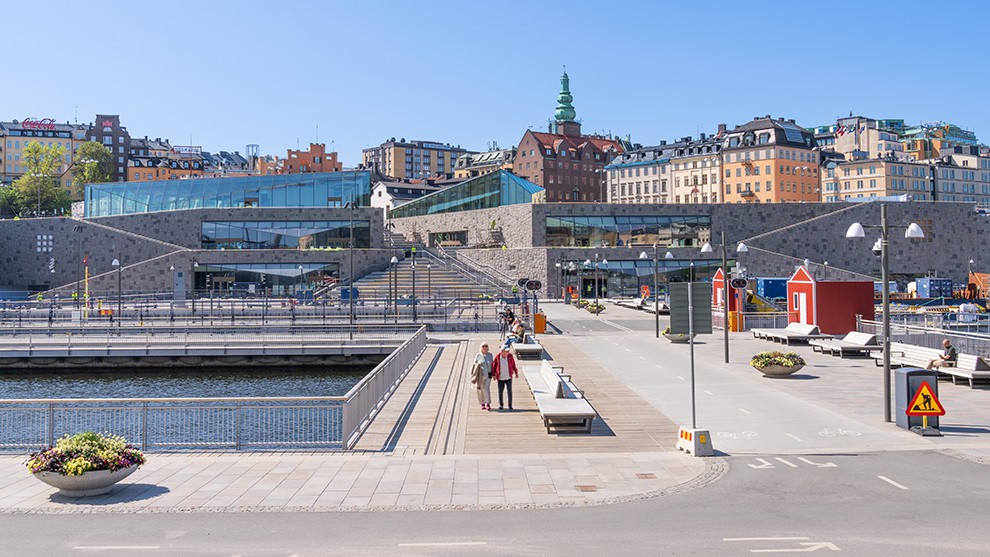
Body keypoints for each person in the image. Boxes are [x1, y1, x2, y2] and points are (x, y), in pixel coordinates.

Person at [491, 346, 518, 410]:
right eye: (506, 351)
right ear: (502, 351)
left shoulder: (510, 356)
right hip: (500, 378)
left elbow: (513, 364)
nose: (507, 352)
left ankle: (510, 405)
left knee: (509, 391)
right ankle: (501, 404)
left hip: (508, 377)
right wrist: (493, 374)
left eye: (508, 351)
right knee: (500, 392)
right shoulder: (498, 357)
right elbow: (494, 366)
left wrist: (516, 372)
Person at [471, 342, 493, 410]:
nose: (485, 348)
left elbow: (492, 364)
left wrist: (494, 373)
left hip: (488, 375)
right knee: (480, 390)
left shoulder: (490, 355)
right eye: (483, 346)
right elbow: (474, 364)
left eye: (486, 346)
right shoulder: (478, 355)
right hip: (480, 375)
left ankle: (488, 403)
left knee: (486, 389)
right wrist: (477, 364)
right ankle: (482, 403)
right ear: (481, 347)